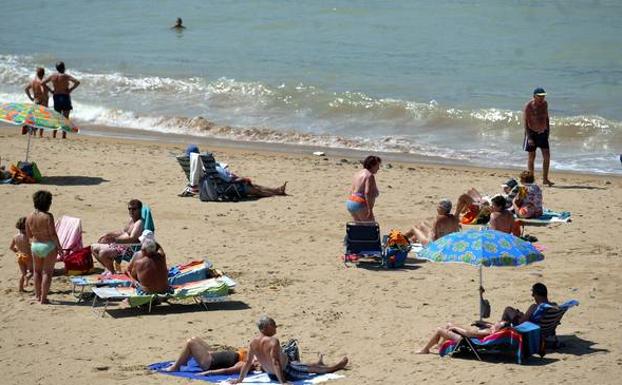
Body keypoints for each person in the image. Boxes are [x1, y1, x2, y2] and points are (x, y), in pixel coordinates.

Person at [231, 316, 348, 384]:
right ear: (266, 328)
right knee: (312, 370)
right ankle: (335, 367)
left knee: (299, 364)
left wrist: (240, 379)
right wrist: (283, 382)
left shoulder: (253, 342)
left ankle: (318, 363)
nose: (276, 327)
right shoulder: (273, 341)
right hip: (285, 373)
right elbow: (275, 362)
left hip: (272, 374)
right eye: (273, 325)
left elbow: (248, 362)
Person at [25, 190, 62, 304]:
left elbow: (29, 235)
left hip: (35, 245)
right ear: (47, 203)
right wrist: (59, 247)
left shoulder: (29, 217)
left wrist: (33, 242)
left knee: (37, 272)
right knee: (47, 273)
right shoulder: (48, 216)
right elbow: (53, 234)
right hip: (48, 246)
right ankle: (44, 298)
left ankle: (37, 296)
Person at [91, 199, 144, 273]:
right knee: (93, 247)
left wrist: (115, 240)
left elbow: (132, 238)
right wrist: (108, 234)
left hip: (129, 249)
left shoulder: (139, 223)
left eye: (134, 209)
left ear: (140, 209)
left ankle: (112, 272)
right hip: (120, 245)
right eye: (129, 209)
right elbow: (123, 232)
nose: (131, 211)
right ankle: (109, 269)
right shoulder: (131, 220)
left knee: (103, 253)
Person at [165, 337, 255, 375]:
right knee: (194, 338)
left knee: (190, 342)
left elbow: (227, 370)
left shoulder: (248, 364)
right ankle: (183, 362)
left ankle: (175, 367)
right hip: (213, 355)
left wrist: (209, 373)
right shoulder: (253, 356)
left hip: (209, 363)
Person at [524, 87, 554, 186]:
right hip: (532, 132)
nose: (542, 98)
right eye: (540, 96)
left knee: (547, 156)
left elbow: (546, 117)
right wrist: (529, 137)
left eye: (543, 96)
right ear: (534, 96)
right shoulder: (528, 106)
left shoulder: (545, 104)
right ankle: (530, 179)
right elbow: (525, 122)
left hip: (543, 132)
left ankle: (545, 179)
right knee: (532, 156)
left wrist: (548, 131)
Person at [417, 321, 507, 354]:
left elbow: (470, 333)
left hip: (465, 340)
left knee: (439, 330)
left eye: (497, 324)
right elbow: (471, 332)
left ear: (498, 329)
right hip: (468, 337)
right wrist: (489, 325)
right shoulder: (492, 330)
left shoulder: (488, 332)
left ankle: (425, 349)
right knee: (449, 324)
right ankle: (440, 345)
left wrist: (456, 328)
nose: (496, 323)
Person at [42, 61, 80, 139]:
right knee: (65, 117)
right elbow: (77, 82)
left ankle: (54, 134)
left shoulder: (53, 76)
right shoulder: (66, 76)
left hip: (56, 96)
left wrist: (51, 91)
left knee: (57, 117)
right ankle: (63, 135)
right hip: (65, 96)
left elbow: (43, 83)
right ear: (63, 68)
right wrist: (70, 90)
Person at [216, 163, 287, 198]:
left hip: (232, 185)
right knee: (257, 190)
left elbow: (229, 179)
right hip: (234, 187)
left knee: (256, 186)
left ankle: (276, 190)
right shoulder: (218, 171)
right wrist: (243, 179)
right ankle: (277, 193)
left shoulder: (213, 172)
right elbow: (230, 180)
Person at [346, 155, 381, 222]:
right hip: (360, 203)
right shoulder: (369, 176)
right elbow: (367, 193)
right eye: (377, 166)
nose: (378, 168)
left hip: (350, 202)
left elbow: (352, 190)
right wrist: (370, 210)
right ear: (372, 165)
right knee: (371, 227)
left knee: (358, 227)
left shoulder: (358, 173)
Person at [24, 67, 50, 137]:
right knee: (42, 119)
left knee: (35, 118)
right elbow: (42, 90)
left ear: (37, 73)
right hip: (42, 101)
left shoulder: (33, 82)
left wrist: (30, 98)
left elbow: (26, 89)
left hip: (35, 100)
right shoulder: (42, 82)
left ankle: (33, 133)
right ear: (43, 74)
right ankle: (40, 134)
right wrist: (46, 98)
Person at [9, 217, 33, 292]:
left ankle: (21, 288)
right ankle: (27, 279)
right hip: (28, 256)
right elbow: (32, 245)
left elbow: (11, 247)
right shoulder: (27, 236)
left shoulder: (15, 237)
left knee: (23, 273)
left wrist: (17, 252)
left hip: (20, 256)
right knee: (32, 271)